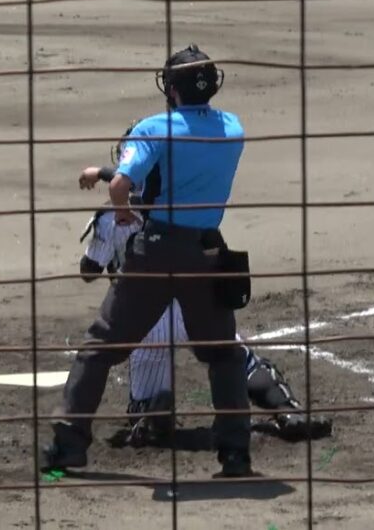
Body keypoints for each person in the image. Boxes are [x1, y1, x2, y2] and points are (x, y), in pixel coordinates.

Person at [42, 44, 254, 477]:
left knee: (100, 347)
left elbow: (124, 186)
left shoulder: (155, 127)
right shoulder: (233, 127)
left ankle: (69, 445)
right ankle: (235, 454)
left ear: (171, 89)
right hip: (208, 252)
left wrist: (121, 212)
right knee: (223, 356)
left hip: (157, 251)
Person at [79, 198, 333, 446]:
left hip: (143, 321)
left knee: (138, 393)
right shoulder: (188, 204)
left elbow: (88, 272)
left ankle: (151, 417)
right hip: (192, 309)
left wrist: (109, 239)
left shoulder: (109, 216)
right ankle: (287, 409)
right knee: (235, 359)